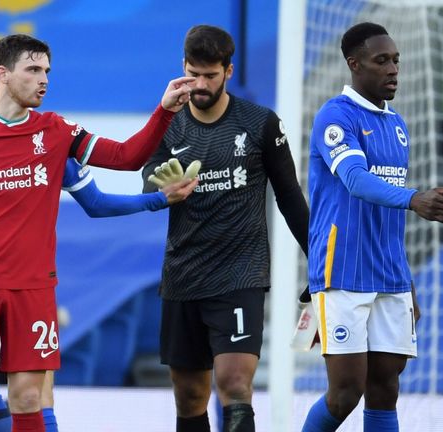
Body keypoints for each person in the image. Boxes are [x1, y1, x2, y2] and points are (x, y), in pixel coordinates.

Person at [0, 34, 195, 432]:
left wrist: (164, 113)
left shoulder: (56, 132)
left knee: (28, 398)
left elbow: (126, 157)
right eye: (33, 70)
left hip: (32, 287)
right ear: (2, 74)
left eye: (47, 71)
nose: (44, 80)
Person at [141, 25, 309, 432]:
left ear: (228, 71)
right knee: (190, 397)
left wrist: (321, 261)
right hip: (183, 275)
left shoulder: (260, 124)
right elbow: (147, 176)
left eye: (210, 75)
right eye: (193, 73)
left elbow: (290, 198)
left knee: (234, 385)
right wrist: (160, 186)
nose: (199, 84)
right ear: (183, 67)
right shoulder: (169, 122)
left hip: (240, 273)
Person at [301, 22, 443, 432]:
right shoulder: (335, 116)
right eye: (381, 61)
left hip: (390, 275)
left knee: (385, 387)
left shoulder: (397, 125)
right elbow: (356, 181)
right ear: (354, 64)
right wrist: (415, 198)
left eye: (396, 60)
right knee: (345, 392)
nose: (393, 69)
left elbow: (387, 217)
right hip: (342, 271)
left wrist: (407, 281)